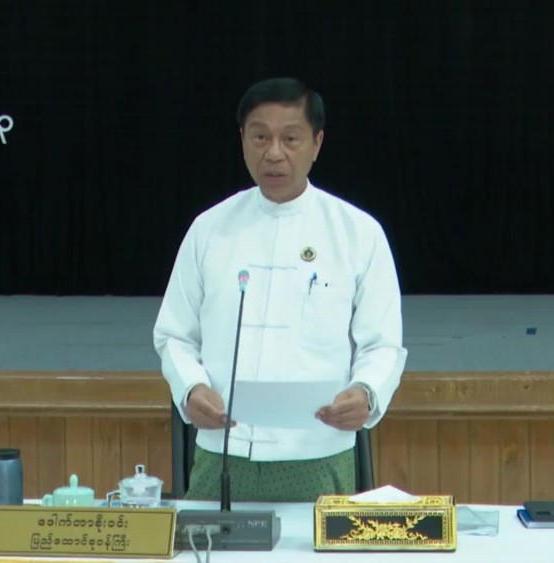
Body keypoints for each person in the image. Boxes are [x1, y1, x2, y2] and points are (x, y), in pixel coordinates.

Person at [152, 77, 407, 502]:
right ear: (242, 140)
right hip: (223, 451)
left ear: (317, 143)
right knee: (207, 540)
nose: (273, 153)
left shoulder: (357, 232)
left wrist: (367, 391)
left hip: (318, 453)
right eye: (260, 137)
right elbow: (174, 334)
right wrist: (191, 387)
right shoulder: (209, 229)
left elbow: (382, 344)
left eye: (290, 139)